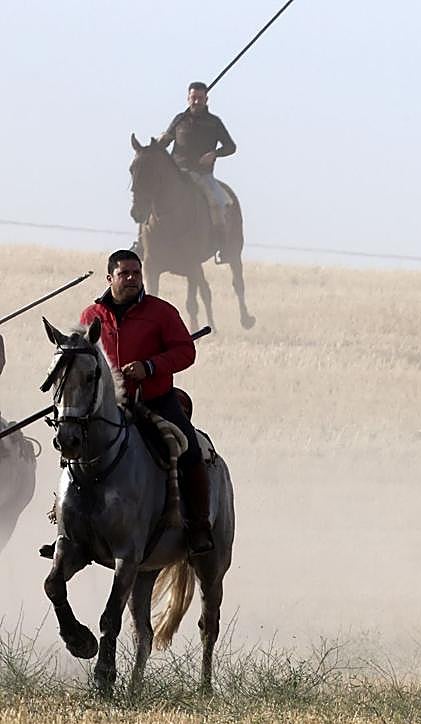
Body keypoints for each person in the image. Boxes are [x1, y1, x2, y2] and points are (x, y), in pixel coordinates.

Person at [78, 249, 214, 556]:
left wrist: (149, 367)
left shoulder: (162, 312)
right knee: (74, 447)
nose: (131, 279)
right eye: (124, 274)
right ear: (109, 278)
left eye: (136, 274)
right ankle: (67, 521)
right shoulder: (91, 316)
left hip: (154, 400)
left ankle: (199, 527)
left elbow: (185, 352)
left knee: (190, 451)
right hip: (107, 405)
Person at [158, 81, 237, 255]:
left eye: (200, 98)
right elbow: (167, 140)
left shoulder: (214, 123)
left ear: (206, 99)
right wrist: (159, 142)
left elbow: (231, 147)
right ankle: (143, 242)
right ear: (188, 98)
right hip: (177, 173)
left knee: (217, 203)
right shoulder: (180, 119)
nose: (196, 101)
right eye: (193, 98)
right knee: (153, 197)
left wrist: (214, 154)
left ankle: (220, 245)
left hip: (202, 174)